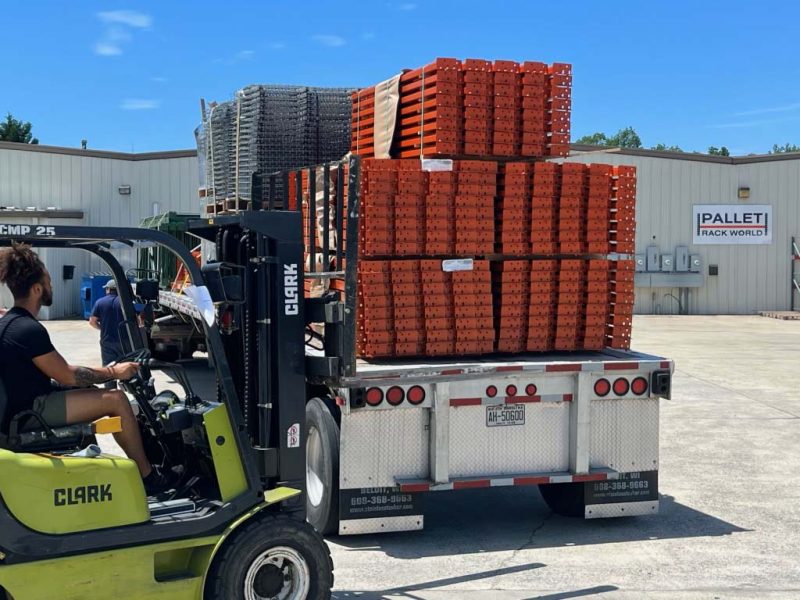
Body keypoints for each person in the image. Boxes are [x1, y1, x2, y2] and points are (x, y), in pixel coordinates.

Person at [0, 243, 169, 494]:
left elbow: (50, 373)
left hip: (24, 404)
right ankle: (148, 477)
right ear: (37, 289)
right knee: (116, 400)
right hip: (30, 411)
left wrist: (92, 380)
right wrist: (114, 372)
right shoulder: (27, 330)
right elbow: (67, 374)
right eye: (48, 282)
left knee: (90, 390)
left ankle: (93, 471)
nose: (51, 286)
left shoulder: (10, 323)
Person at [89, 279, 128, 388]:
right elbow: (137, 321)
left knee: (109, 368)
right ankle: (126, 390)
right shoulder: (125, 302)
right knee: (125, 367)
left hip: (107, 341)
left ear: (108, 289)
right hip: (125, 341)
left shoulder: (100, 302)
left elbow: (92, 322)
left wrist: (102, 328)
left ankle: (111, 393)